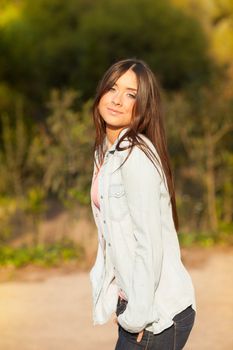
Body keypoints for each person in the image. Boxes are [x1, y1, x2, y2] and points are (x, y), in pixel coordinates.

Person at [89, 58, 196, 350]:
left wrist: (136, 315)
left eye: (131, 94)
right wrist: (121, 299)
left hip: (156, 315)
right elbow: (115, 236)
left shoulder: (135, 157)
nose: (117, 100)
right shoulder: (106, 153)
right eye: (112, 88)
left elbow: (148, 244)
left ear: (144, 105)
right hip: (138, 305)